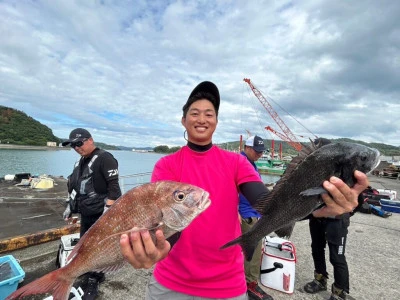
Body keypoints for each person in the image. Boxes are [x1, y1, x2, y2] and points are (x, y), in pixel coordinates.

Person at [119, 81, 370, 300]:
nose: (202, 119)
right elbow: (166, 225)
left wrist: (321, 206)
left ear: (216, 122)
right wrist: (154, 249)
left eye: (209, 113)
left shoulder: (235, 162)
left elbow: (267, 204)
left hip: (226, 284)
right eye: (194, 113)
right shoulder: (166, 165)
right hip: (169, 282)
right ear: (184, 120)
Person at [62, 128, 122, 300]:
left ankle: (95, 278)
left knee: (99, 249)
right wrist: (69, 207)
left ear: (90, 140)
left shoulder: (105, 159)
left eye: (79, 143)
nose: (77, 148)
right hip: (86, 213)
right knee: (85, 245)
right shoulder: (81, 162)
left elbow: (114, 189)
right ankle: (87, 270)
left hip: (100, 215)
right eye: (73, 146)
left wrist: (107, 214)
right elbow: (74, 186)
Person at [303, 138, 351, 300]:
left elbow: (355, 201)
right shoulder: (315, 170)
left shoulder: (345, 171)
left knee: (337, 256)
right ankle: (320, 279)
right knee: (316, 249)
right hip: (317, 218)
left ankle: (339, 291)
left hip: (337, 220)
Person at [239, 135, 273, 300]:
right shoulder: (240, 162)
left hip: (254, 212)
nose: (260, 154)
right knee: (253, 249)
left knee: (247, 249)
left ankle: (245, 280)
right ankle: (250, 284)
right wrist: (235, 211)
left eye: (261, 151)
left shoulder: (251, 163)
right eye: (257, 151)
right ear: (247, 147)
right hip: (246, 214)